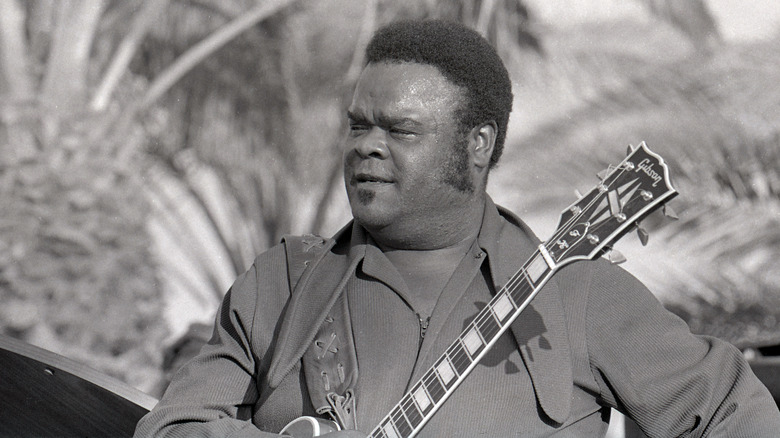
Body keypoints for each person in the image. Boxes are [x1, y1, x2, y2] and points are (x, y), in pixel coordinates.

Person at [134, 19, 780, 437]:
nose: (368, 146)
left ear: (477, 144)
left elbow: (737, 417)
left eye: (401, 129)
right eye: (359, 125)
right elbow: (173, 427)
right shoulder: (280, 283)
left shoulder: (576, 295)